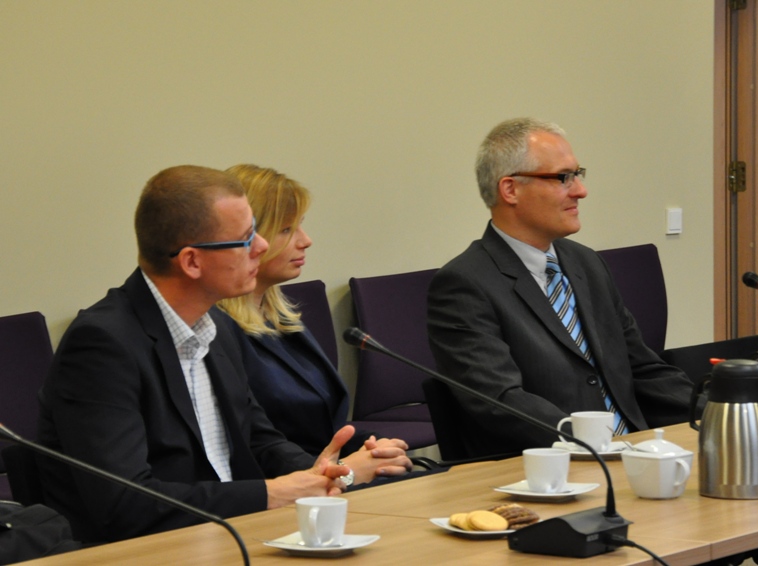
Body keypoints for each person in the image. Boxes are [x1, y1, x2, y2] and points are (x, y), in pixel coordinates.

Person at [36, 165, 411, 544]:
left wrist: (327, 473)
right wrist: (273, 493)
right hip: (146, 550)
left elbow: (260, 440)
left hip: (233, 534)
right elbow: (125, 504)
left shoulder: (215, 325)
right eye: (245, 238)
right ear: (191, 261)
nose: (261, 246)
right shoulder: (103, 345)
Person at [426, 118, 693, 458]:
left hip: (633, 450)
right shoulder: (464, 284)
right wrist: (596, 445)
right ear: (510, 190)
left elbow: (640, 367)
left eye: (578, 174)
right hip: (553, 464)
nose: (580, 190)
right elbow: (501, 401)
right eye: (563, 177)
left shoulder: (586, 263)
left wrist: (717, 412)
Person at [217, 164, 391, 461]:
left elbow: (324, 426)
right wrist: (344, 472)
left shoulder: (281, 319)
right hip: (286, 482)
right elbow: (250, 447)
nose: (305, 240)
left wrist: (373, 446)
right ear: (247, 238)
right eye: (286, 229)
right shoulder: (217, 331)